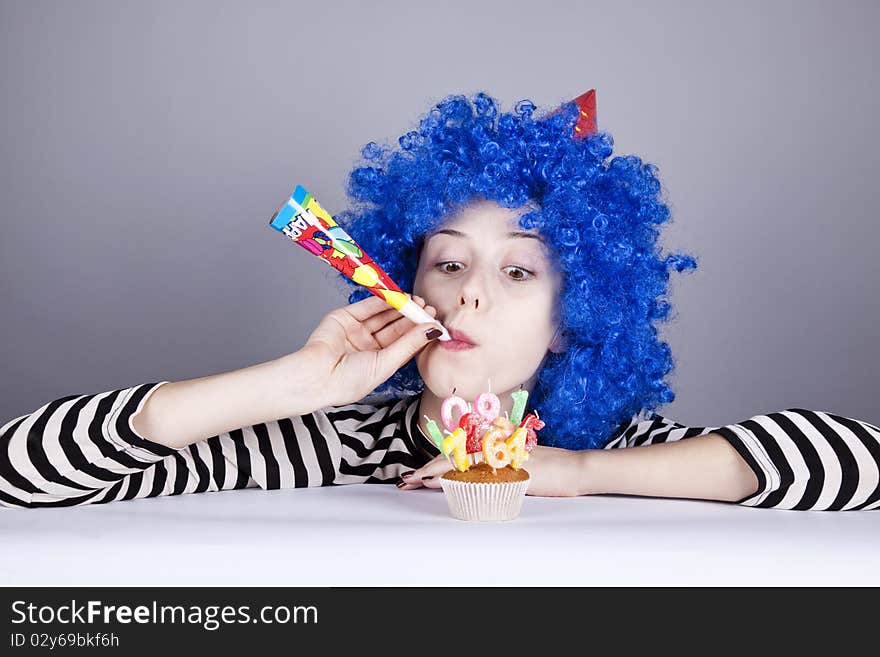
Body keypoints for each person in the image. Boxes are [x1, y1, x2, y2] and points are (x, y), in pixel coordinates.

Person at [1, 91, 877, 511]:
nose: (469, 296)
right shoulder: (335, 443)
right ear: (408, 281)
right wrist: (295, 386)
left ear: (578, 313)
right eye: (447, 264)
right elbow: (19, 473)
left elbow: (858, 461)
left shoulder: (619, 448)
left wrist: (568, 471)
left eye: (519, 272)